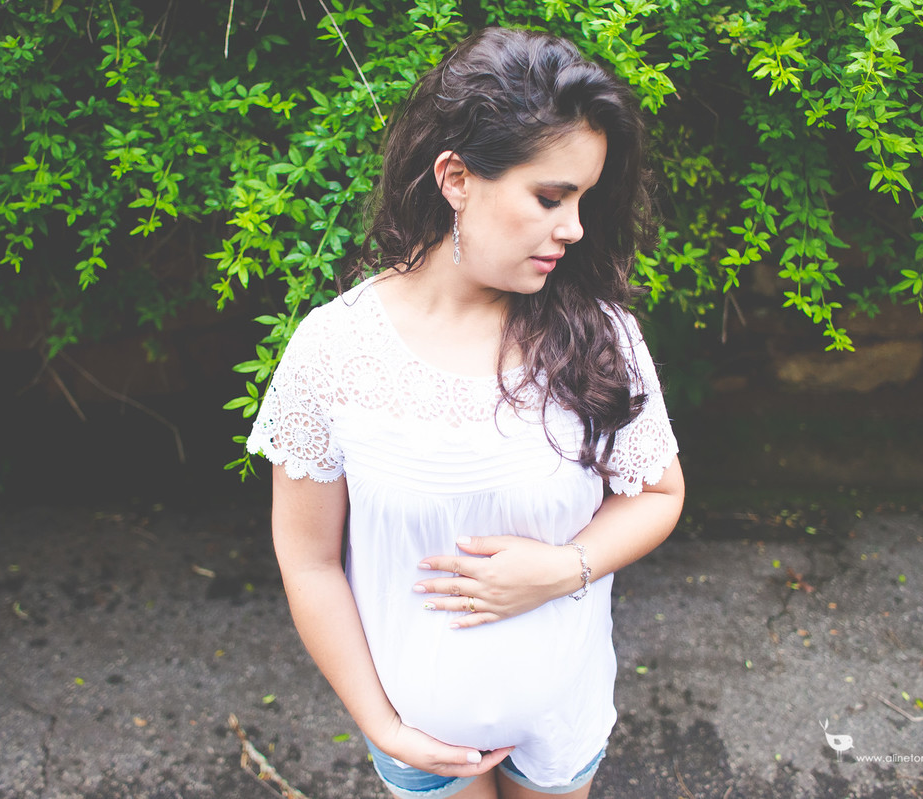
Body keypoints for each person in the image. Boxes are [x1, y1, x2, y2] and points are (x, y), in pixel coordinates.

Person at [247, 26, 685, 799]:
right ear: (456, 177)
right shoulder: (335, 349)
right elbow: (308, 559)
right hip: (420, 740)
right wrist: (383, 726)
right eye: (550, 197)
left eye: (583, 199)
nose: (574, 227)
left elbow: (657, 491)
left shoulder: (599, 334)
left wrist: (562, 568)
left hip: (562, 720)